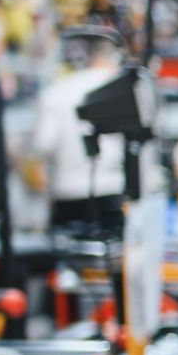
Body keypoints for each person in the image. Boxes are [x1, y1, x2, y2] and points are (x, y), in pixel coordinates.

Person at [29, 31, 149, 233]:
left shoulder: (58, 91)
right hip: (116, 193)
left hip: (68, 194)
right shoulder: (133, 90)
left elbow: (43, 145)